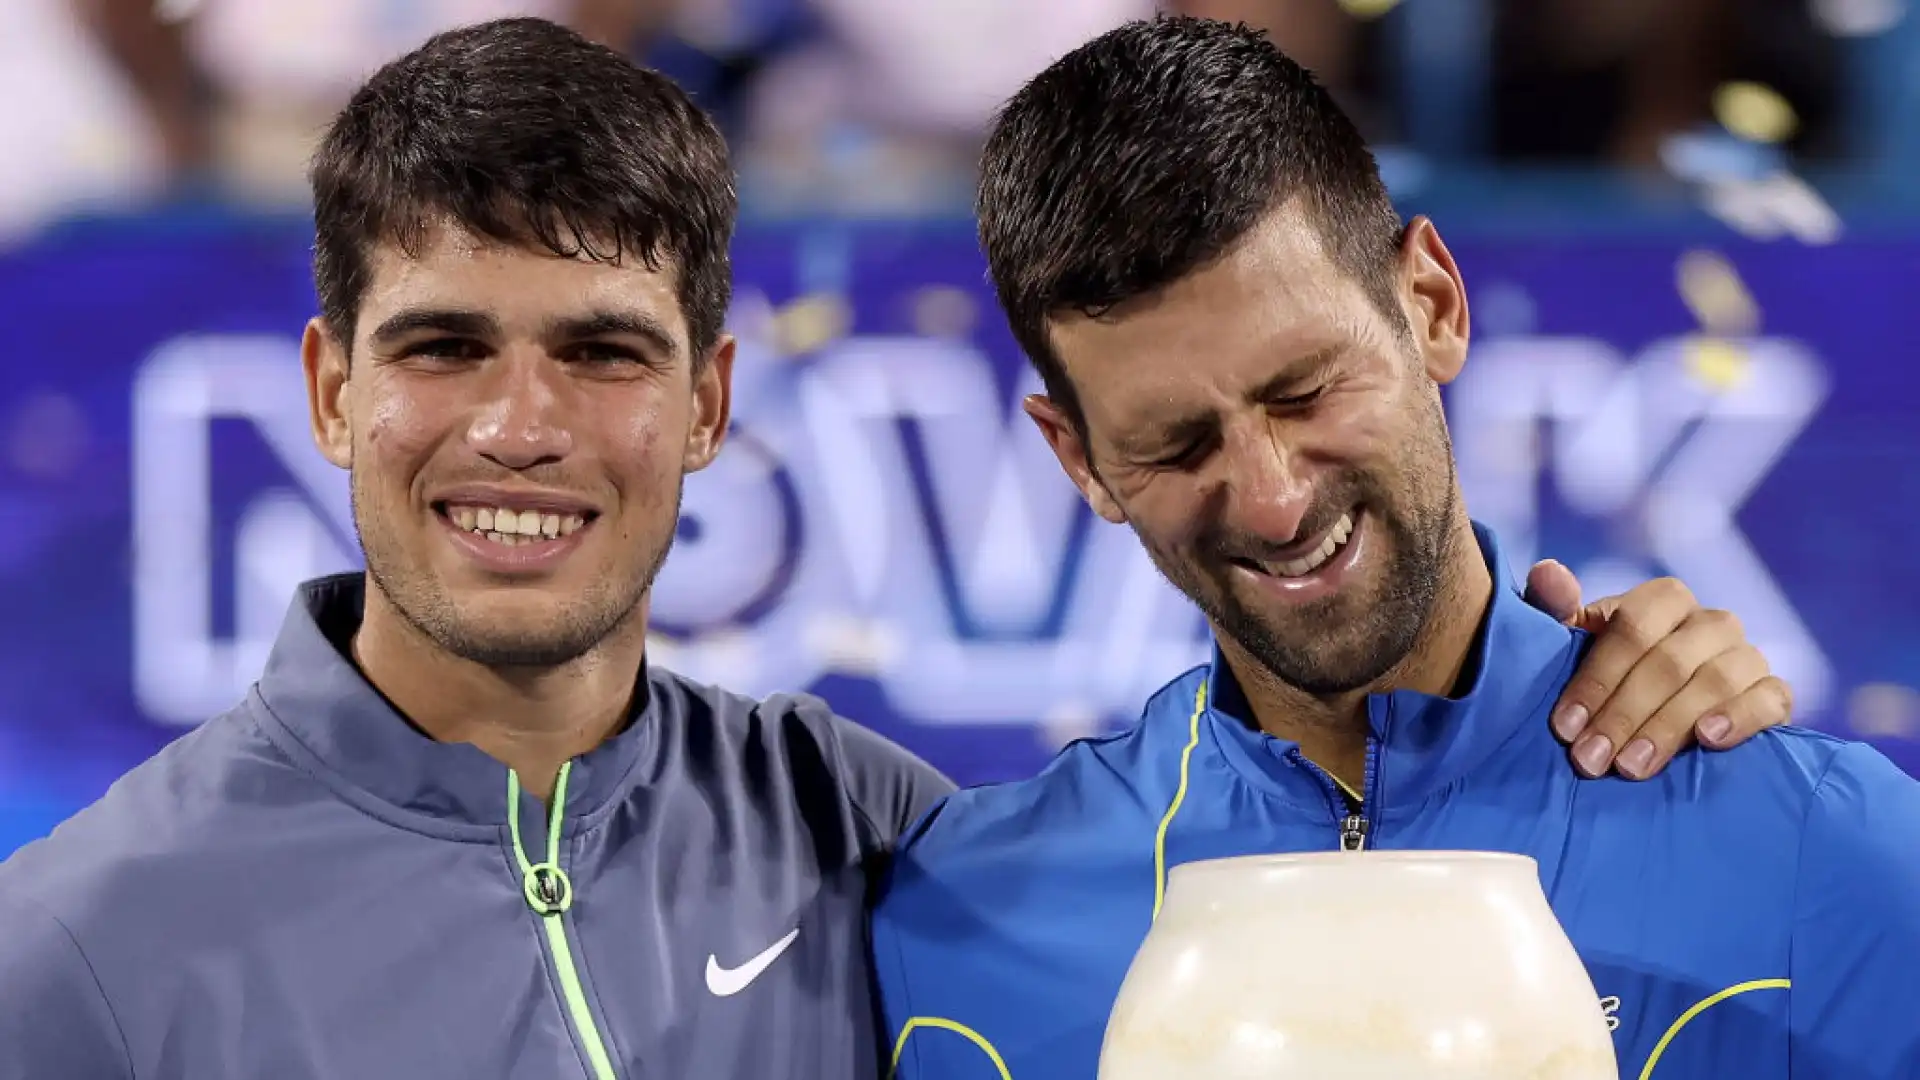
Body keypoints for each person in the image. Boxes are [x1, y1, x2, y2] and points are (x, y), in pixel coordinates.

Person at [0, 17, 1794, 1080]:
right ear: (328, 388)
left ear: (708, 405)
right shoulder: (82, 947)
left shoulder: (879, 844)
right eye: (442, 346)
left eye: (604, 353)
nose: (522, 428)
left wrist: (1609, 689)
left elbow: (1315, 850)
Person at [869, 16, 1920, 1080]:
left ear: (1432, 306)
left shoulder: (1827, 865)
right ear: (1078, 456)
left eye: (1308, 390)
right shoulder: (953, 931)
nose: (1274, 501)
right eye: (1178, 444)